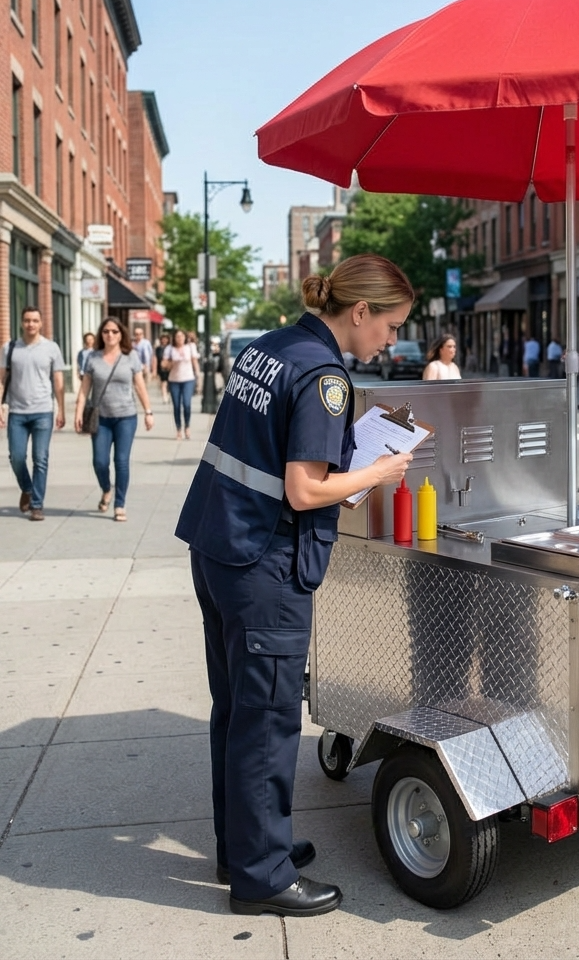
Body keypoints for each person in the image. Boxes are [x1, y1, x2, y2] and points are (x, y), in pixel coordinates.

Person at [175, 253, 414, 918]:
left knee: (235, 713)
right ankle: (263, 876)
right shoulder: (323, 374)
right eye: (390, 325)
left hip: (218, 543)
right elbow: (306, 487)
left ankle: (244, 848)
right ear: (359, 311)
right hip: (265, 563)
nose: (390, 340)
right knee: (269, 723)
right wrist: (377, 472)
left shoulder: (273, 346)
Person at [74, 317, 155, 521]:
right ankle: (106, 489)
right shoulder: (92, 357)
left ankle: (120, 504)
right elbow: (85, 388)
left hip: (126, 417)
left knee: (121, 461)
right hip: (100, 418)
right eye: (106, 332)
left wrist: (148, 412)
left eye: (114, 332)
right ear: (101, 334)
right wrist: (78, 411)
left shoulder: (131, 357)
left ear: (121, 335)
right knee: (100, 462)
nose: (110, 335)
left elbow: (139, 385)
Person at [0, 305, 66, 521]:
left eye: (35, 320)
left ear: (41, 323)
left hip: (43, 412)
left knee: (41, 458)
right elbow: (2, 380)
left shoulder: (51, 348)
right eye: (27, 320)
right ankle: (27, 488)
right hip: (17, 412)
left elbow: (58, 381)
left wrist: (61, 409)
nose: (31, 324)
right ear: (22, 322)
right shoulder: (9, 348)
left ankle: (37, 505)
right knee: (16, 457)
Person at [164, 329, 200, 439]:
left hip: (188, 379)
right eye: (177, 336)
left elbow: (195, 362)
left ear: (185, 337)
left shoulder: (190, 347)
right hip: (174, 380)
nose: (179, 338)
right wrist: (172, 362)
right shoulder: (170, 349)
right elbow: (164, 365)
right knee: (176, 406)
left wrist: (198, 378)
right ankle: (178, 429)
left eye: (181, 336)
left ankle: (187, 427)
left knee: (187, 404)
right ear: (174, 338)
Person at [156, 333, 172, 404]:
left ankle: (168, 396)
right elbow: (156, 359)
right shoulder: (158, 349)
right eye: (163, 339)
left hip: (170, 368)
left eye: (166, 339)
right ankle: (164, 397)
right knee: (163, 383)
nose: (164, 340)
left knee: (170, 383)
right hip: (161, 368)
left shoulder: (171, 348)